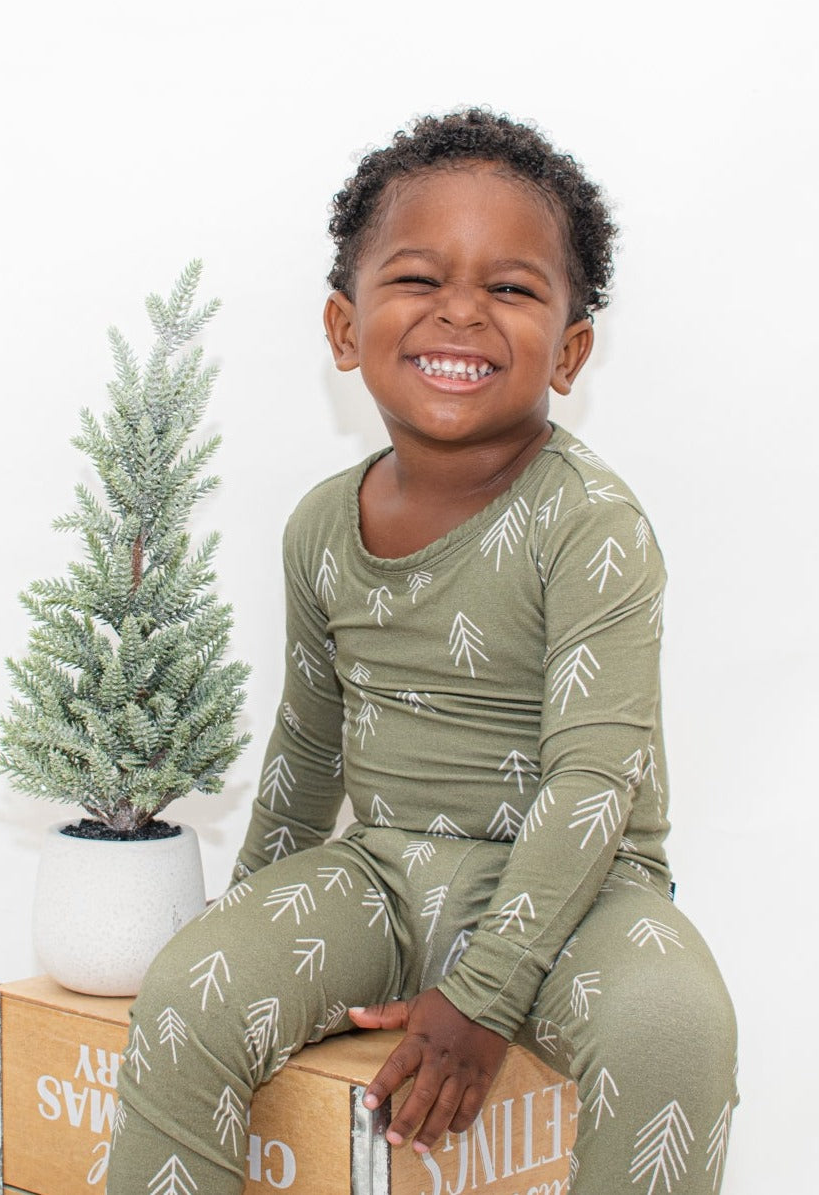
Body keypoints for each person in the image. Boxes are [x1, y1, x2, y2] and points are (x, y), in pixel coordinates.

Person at [107, 109, 738, 1194]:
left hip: (580, 889)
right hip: (382, 875)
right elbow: (308, 748)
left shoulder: (591, 523)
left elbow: (596, 778)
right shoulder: (320, 524)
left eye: (512, 288)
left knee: (675, 1028)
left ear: (570, 350)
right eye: (416, 279)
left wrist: (483, 997)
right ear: (344, 327)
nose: (461, 310)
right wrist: (248, 912)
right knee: (187, 991)